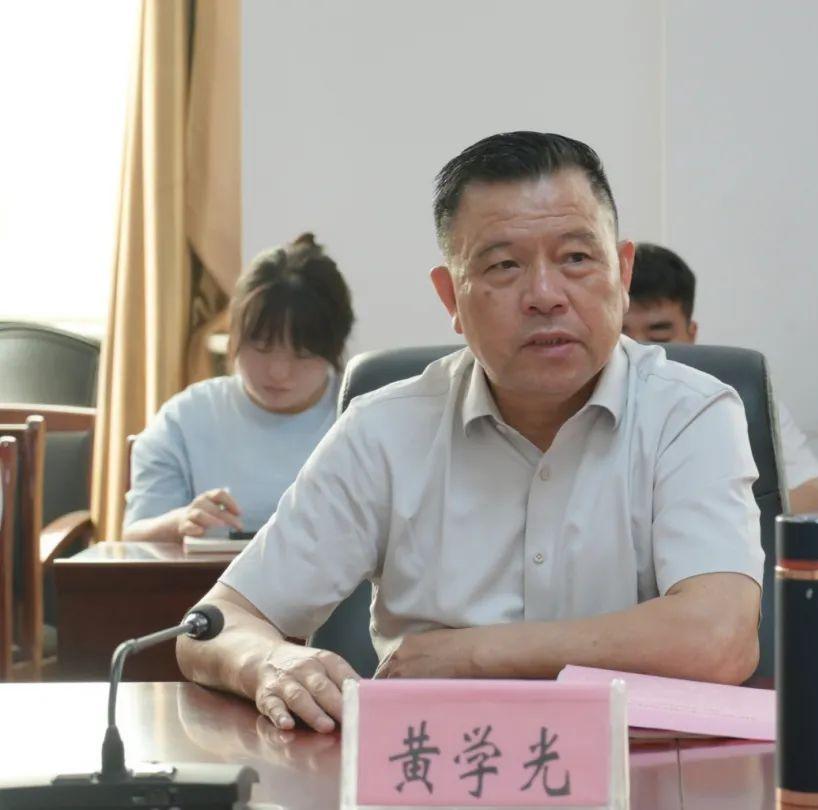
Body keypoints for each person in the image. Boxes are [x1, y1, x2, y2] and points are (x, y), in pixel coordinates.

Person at [178, 132, 763, 734]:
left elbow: (720, 638)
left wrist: (473, 653)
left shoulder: (691, 413)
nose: (545, 295)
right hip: (435, 765)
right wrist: (271, 662)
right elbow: (216, 625)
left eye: (576, 258)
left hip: (638, 768)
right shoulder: (385, 430)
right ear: (450, 296)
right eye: (504, 265)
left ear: (623, 271)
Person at [123, 233, 355, 542]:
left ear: (333, 349)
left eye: (302, 354)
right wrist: (180, 522)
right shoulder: (185, 419)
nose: (278, 372)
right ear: (234, 336)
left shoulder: (361, 418)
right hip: (210, 576)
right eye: (260, 348)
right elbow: (134, 537)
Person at [622, 243, 818, 514]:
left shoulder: (736, 398)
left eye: (659, 338)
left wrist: (715, 501)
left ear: (691, 335)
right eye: (622, 337)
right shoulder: (579, 401)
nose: (640, 353)